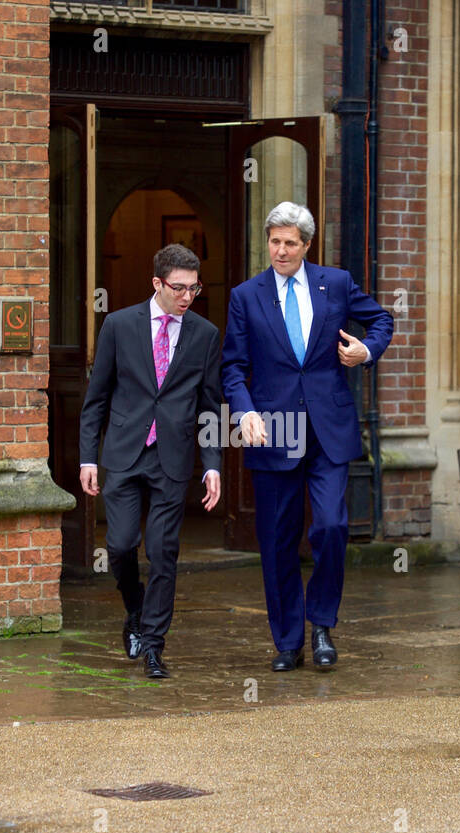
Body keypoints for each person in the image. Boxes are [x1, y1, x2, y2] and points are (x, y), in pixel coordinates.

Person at [221, 202, 394, 671]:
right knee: (278, 540)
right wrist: (244, 413)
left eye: (290, 243)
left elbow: (381, 321)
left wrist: (366, 350)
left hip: (328, 429)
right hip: (272, 430)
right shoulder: (245, 295)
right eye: (274, 241)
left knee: (332, 526)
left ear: (307, 245)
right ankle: (287, 642)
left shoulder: (335, 283)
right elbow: (233, 367)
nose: (280, 250)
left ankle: (322, 624)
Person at [79, 244, 222, 679]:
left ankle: (155, 645)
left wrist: (212, 463)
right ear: (157, 283)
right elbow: (97, 397)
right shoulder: (119, 326)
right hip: (123, 452)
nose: (187, 297)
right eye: (178, 288)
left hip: (172, 457)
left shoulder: (205, 334)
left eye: (194, 288)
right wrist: (88, 457)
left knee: (163, 552)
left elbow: (210, 406)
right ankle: (135, 610)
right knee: (120, 546)